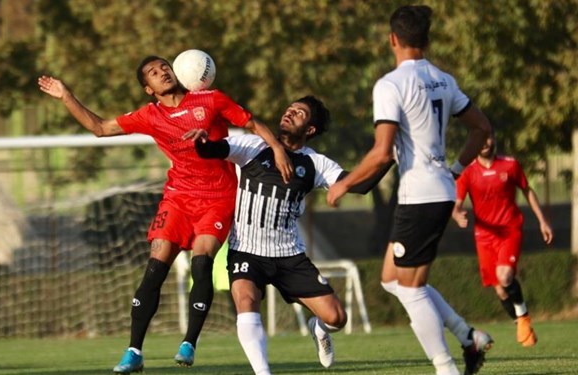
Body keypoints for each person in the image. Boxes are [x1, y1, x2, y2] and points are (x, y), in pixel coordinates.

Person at [38, 55, 294, 374]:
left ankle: (189, 343)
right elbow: (100, 128)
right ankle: (134, 351)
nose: (162, 72)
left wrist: (279, 149)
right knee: (156, 266)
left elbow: (252, 123)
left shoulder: (210, 99)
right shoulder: (149, 116)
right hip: (178, 197)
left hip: (217, 196)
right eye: (153, 73)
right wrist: (66, 95)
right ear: (148, 88)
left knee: (202, 263)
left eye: (164, 67)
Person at [326, 5, 495, 375]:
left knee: (412, 287)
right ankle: (468, 336)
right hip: (436, 190)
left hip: (419, 194)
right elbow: (482, 128)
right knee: (391, 279)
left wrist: (344, 184)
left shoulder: (390, 85)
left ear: (392, 39)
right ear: (427, 40)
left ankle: (445, 367)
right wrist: (454, 170)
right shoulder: (444, 79)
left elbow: (382, 151)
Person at [187, 96, 391, 374]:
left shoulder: (315, 163)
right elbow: (212, 150)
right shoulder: (254, 145)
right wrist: (201, 141)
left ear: (310, 130)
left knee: (337, 317)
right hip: (246, 249)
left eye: (299, 113)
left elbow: (360, 185)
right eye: (290, 108)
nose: (289, 113)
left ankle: (317, 329)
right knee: (246, 301)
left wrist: (389, 157)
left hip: (289, 255)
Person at [452, 132, 553, 347]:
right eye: (481, 139)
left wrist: (542, 221)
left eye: (488, 138)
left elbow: (527, 190)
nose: (485, 143)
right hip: (484, 236)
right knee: (499, 288)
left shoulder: (510, 166)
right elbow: (457, 204)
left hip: (509, 230)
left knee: (505, 276)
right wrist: (457, 214)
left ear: (494, 140)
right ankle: (521, 322)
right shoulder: (468, 172)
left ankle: (523, 318)